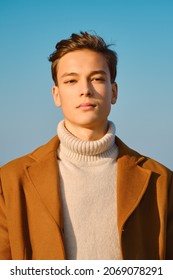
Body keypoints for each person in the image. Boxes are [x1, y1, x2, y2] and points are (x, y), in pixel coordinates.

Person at [0, 32, 172, 260]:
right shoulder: (11, 179)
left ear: (114, 92)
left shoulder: (160, 180)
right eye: (71, 80)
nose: (85, 90)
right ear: (56, 95)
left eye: (97, 78)